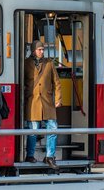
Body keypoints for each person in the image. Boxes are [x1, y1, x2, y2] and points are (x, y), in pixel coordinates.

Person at [23, 40, 62, 171]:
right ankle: (30, 155)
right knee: (33, 131)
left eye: (43, 50)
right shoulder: (25, 64)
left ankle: (50, 156)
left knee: (53, 129)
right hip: (33, 102)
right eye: (39, 49)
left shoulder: (49, 63)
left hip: (47, 103)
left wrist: (58, 99)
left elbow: (56, 82)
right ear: (33, 51)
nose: (42, 52)